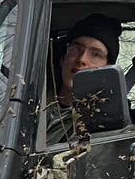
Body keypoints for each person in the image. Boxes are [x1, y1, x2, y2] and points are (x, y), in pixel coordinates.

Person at [41, 13, 121, 145]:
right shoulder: (30, 97)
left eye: (95, 54)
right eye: (76, 49)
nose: (82, 59)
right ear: (63, 58)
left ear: (107, 70)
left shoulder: (107, 125)